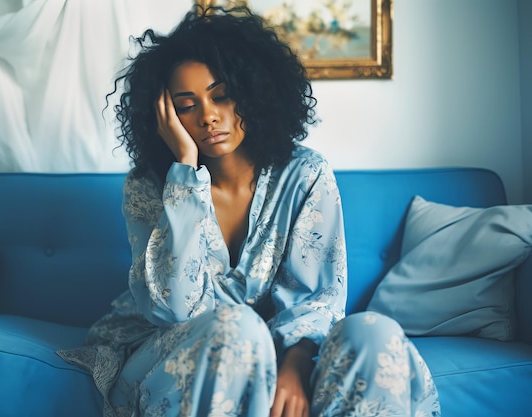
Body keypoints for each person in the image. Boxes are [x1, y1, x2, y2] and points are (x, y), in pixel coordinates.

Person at [58, 5, 441, 417]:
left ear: (255, 92)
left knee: (373, 332)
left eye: (221, 95)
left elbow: (317, 300)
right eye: (186, 105)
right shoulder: (150, 186)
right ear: (164, 116)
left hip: (281, 349)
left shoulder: (305, 174)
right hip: (175, 348)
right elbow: (175, 308)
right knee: (237, 328)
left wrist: (294, 367)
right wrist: (184, 172)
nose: (207, 116)